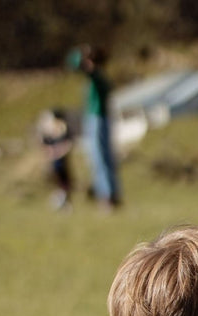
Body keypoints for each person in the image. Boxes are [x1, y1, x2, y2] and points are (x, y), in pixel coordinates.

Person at [67, 44, 121, 209]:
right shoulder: (100, 77)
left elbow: (72, 63)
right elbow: (73, 64)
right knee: (101, 157)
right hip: (97, 118)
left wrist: (79, 53)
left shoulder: (96, 77)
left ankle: (107, 196)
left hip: (97, 118)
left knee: (99, 157)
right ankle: (108, 194)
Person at [37, 108, 73, 211]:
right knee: (58, 183)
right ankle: (61, 202)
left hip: (62, 163)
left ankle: (65, 203)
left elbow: (68, 144)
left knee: (64, 183)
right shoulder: (51, 131)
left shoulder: (63, 130)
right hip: (55, 164)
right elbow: (44, 143)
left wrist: (59, 152)